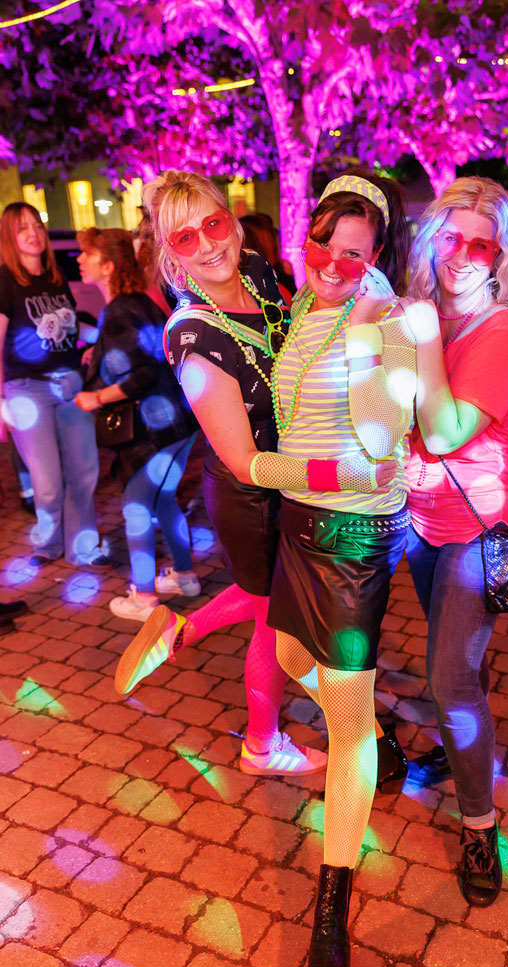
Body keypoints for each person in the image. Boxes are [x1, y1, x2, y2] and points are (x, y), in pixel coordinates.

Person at [249, 173, 415, 967]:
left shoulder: (389, 318)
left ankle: (331, 910)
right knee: (288, 655)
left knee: (343, 722)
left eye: (355, 253)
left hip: (352, 538)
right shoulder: (304, 308)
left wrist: (375, 337)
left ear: (377, 256)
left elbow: (383, 443)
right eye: (324, 244)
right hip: (299, 526)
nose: (334, 263)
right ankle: (375, 727)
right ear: (306, 237)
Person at [114, 170, 334, 780]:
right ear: (170, 253)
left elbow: (302, 336)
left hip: (291, 476)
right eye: (185, 237)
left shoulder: (258, 272)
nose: (208, 245)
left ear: (233, 222)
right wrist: (340, 473)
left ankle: (176, 633)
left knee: (264, 597)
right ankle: (261, 745)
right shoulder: (191, 333)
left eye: (213, 224)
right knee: (273, 617)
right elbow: (242, 461)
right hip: (253, 494)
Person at [404, 177, 508, 911]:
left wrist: (420, 337)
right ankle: (464, 748)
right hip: (422, 522)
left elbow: (448, 429)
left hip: (480, 528)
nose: (461, 254)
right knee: (462, 667)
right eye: (450, 237)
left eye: (480, 244)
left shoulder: (501, 328)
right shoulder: (425, 318)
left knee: (449, 677)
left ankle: (480, 825)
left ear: (501, 257)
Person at [72, 228, 200, 618]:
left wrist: (96, 397)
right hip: (179, 423)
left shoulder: (120, 310)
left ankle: (144, 599)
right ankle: (185, 577)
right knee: (164, 500)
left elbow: (142, 373)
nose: (80, 259)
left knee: (136, 508)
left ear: (108, 266)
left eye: (88, 253)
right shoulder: (136, 302)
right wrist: (99, 354)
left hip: (154, 429)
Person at [0, 202, 108, 567]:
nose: (33, 233)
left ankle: (84, 548)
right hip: (27, 390)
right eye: (22, 228)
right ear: (9, 237)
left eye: (36, 225)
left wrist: (105, 337)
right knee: (46, 480)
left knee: (84, 470)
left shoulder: (56, 276)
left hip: (70, 384)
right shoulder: (4, 280)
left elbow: (71, 327)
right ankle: (48, 545)